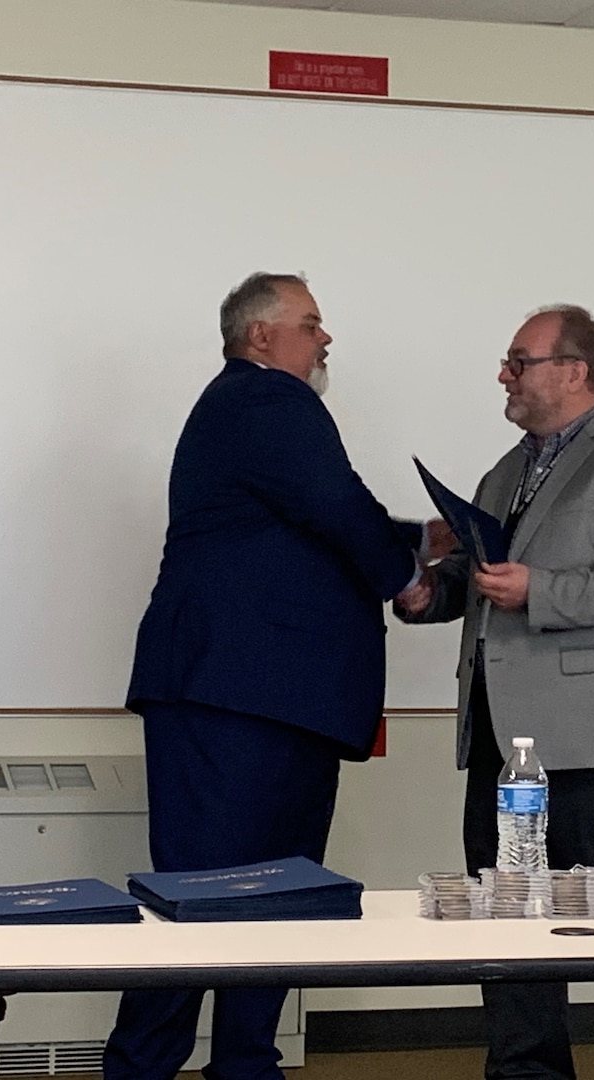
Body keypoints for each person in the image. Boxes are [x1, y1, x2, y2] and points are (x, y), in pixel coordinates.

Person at [106, 273, 437, 1080]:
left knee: (276, 896)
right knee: (203, 895)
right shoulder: (267, 401)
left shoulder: (250, 413)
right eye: (312, 324)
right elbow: (333, 504)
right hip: (236, 694)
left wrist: (421, 541)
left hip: (270, 697)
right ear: (262, 335)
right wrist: (405, 571)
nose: (326, 341)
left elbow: (303, 520)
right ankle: (145, 1068)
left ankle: (247, 1065)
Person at [397, 305, 594, 1080]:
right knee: (508, 921)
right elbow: (487, 577)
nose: (505, 374)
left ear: (574, 370)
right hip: (502, 743)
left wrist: (538, 587)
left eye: (517, 361)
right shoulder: (506, 469)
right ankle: (527, 1071)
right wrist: (432, 592)